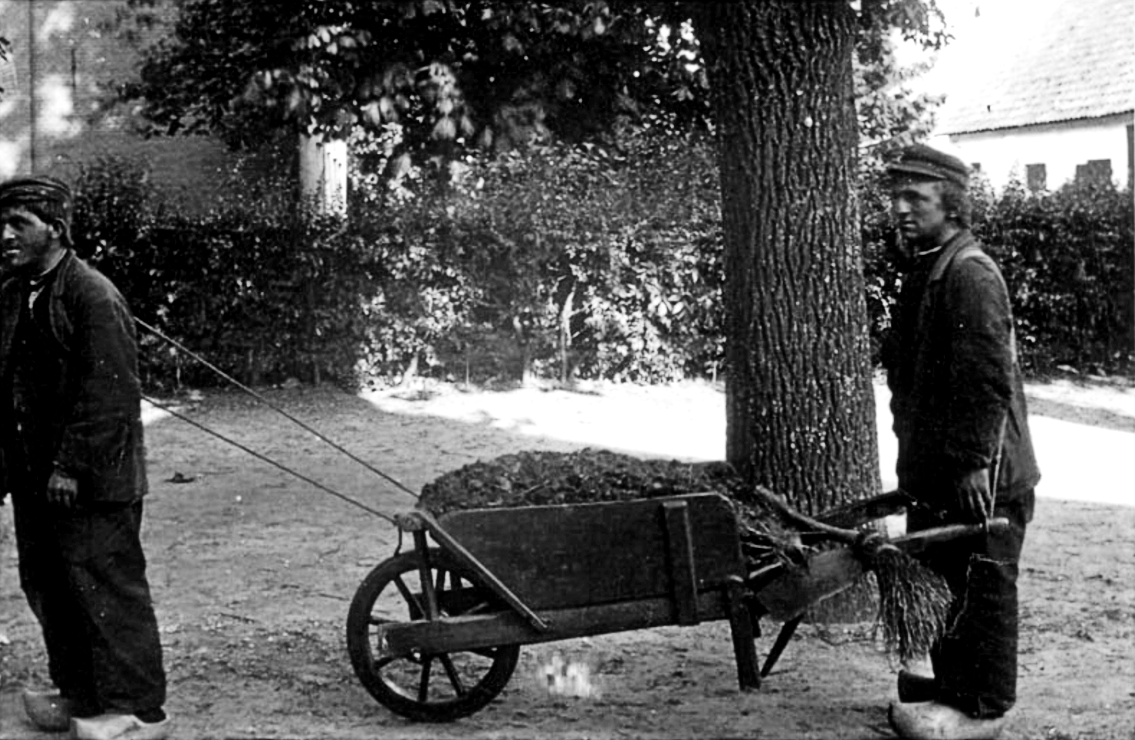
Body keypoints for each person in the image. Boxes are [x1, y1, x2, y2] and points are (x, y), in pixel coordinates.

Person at [880, 145, 1041, 740]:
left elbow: (984, 376)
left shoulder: (969, 273)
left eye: (914, 197)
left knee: (982, 584)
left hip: (985, 474)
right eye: (895, 197)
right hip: (942, 469)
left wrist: (974, 464)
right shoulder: (931, 266)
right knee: (949, 578)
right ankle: (950, 687)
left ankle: (982, 708)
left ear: (950, 205)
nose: (900, 208)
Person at [0, 175, 169, 740]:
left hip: (93, 479)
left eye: (19, 223)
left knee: (106, 586)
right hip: (36, 478)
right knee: (49, 585)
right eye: (0, 224)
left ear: (56, 228)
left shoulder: (92, 295)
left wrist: (71, 465)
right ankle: (80, 692)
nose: (5, 236)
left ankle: (138, 711)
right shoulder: (14, 293)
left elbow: (111, 396)